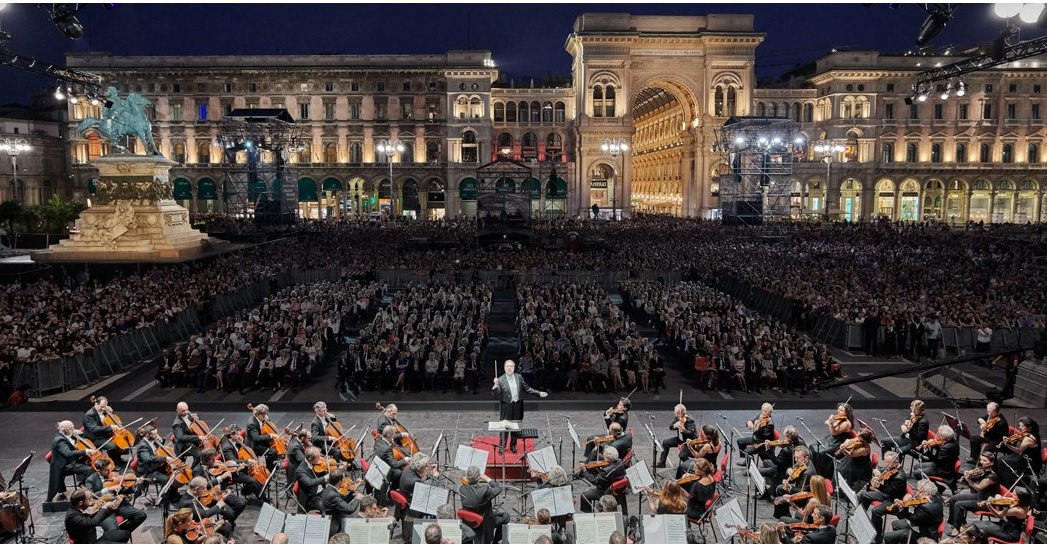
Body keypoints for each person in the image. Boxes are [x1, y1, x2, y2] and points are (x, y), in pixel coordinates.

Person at [492, 359, 548, 453]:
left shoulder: (519, 377)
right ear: (504, 368)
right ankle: (502, 446)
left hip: (517, 405)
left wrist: (539, 393)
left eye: (511, 366)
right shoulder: (500, 380)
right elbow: (496, 395)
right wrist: (495, 385)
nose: (509, 368)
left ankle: (513, 446)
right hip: (506, 406)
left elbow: (527, 388)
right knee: (505, 427)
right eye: (507, 366)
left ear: (514, 367)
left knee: (515, 427)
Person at [82, 459, 147, 533]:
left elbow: (123, 489)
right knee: (112, 529)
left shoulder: (113, 475)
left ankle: (122, 533)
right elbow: (91, 496)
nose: (109, 471)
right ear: (98, 470)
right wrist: (108, 489)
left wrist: (134, 486)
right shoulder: (90, 480)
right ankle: (117, 534)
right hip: (104, 508)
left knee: (141, 515)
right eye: (106, 470)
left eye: (109, 468)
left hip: (118, 503)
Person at [859, 451, 908, 536]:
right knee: (864, 495)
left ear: (896, 463)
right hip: (887, 494)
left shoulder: (899, 477)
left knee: (875, 511)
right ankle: (861, 517)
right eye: (885, 462)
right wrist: (877, 476)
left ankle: (877, 536)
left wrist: (878, 486)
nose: (886, 465)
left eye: (888, 463)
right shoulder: (892, 469)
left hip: (893, 500)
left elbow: (890, 491)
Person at [882, 479, 944, 544]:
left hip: (923, 534)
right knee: (895, 523)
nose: (917, 493)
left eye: (919, 491)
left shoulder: (926, 508)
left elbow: (912, 519)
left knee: (887, 537)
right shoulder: (936, 500)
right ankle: (902, 541)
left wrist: (903, 507)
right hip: (923, 524)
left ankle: (907, 540)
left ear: (928, 494)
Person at [948, 453, 999, 531]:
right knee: (953, 499)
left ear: (991, 463)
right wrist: (970, 474)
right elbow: (976, 480)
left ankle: (957, 528)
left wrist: (968, 479)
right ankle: (958, 524)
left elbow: (978, 487)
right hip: (979, 496)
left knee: (958, 505)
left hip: (985, 502)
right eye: (981, 459)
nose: (981, 462)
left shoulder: (992, 476)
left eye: (985, 460)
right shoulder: (983, 470)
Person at [192, 448, 247, 520]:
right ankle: (226, 525)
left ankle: (226, 523)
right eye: (212, 459)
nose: (215, 461)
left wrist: (237, 470)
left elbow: (227, 476)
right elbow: (203, 487)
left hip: (221, 492)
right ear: (205, 460)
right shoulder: (197, 471)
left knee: (242, 503)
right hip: (210, 497)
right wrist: (221, 477)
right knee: (230, 514)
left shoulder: (215, 465)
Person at [47, 420, 95, 502]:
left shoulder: (69, 435)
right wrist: (85, 451)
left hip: (71, 461)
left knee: (92, 465)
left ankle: (84, 484)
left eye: (73, 427)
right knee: (89, 469)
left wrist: (80, 434)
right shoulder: (59, 441)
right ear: (65, 430)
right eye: (71, 428)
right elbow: (68, 453)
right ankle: (83, 484)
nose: (73, 429)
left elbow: (77, 444)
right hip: (65, 465)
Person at [459, 465, 509, 544]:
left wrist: (468, 479)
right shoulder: (485, 490)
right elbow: (498, 488)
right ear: (479, 478)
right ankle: (495, 542)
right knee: (506, 517)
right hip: (485, 523)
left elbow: (467, 485)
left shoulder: (462, 489)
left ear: (467, 477)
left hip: (469, 521)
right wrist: (487, 479)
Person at [65, 488, 132, 544]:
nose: (91, 501)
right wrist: (104, 507)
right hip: (90, 541)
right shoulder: (73, 517)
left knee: (126, 534)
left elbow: (92, 517)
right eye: (88, 499)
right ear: (80, 503)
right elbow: (93, 522)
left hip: (95, 534)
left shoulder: (76, 508)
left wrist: (114, 506)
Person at [996, 416, 1042, 488]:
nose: (1020, 428)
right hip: (1025, 457)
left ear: (1029, 427)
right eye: (1020, 425)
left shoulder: (1028, 439)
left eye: (1022, 426)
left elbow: (1019, 451)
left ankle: (1007, 483)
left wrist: (1007, 444)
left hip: (1029, 462)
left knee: (1000, 461)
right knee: (1000, 459)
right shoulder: (1032, 433)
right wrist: (1010, 440)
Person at [577, 446, 626, 513]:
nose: (603, 457)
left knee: (584, 496)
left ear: (609, 460)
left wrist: (585, 471)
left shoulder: (606, 471)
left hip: (604, 492)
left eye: (605, 457)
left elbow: (595, 481)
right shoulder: (620, 461)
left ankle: (589, 514)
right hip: (617, 489)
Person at [772, 447, 816, 519]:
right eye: (795, 457)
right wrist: (789, 471)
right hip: (798, 488)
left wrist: (790, 487)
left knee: (778, 500)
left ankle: (783, 518)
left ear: (806, 458)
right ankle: (785, 513)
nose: (795, 460)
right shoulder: (803, 464)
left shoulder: (807, 473)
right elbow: (794, 474)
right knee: (779, 488)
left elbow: (802, 492)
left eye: (798, 458)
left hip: (804, 497)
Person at [83, 396, 125, 465]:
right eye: (102, 407)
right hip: (95, 438)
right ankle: (113, 463)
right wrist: (110, 427)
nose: (103, 409)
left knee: (121, 441)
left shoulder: (104, 411)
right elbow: (94, 429)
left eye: (105, 406)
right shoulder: (89, 414)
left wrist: (111, 413)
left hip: (104, 434)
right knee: (112, 446)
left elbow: (110, 420)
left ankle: (118, 459)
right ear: (96, 404)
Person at [321, 469, 363, 537]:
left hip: (333, 516)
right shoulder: (333, 495)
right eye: (344, 479)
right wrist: (358, 499)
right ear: (340, 482)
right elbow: (349, 509)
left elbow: (342, 500)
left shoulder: (329, 489)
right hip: (335, 525)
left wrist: (354, 489)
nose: (345, 481)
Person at [655, 404, 697, 469]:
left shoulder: (690, 420)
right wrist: (675, 425)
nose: (676, 415)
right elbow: (671, 426)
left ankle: (690, 466)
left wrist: (683, 430)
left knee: (682, 455)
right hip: (680, 439)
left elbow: (691, 434)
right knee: (665, 442)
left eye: (677, 413)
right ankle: (662, 463)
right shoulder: (678, 417)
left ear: (683, 412)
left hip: (688, 442)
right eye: (676, 413)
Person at [294, 447, 331, 513]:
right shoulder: (301, 471)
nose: (320, 459)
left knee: (336, 498)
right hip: (311, 496)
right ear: (310, 459)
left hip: (321, 490)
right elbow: (309, 482)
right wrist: (325, 477)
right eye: (317, 457)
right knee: (326, 506)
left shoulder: (313, 462)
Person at [245, 403, 279, 470]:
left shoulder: (260, 418)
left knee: (275, 447)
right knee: (273, 452)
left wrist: (267, 420)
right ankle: (268, 468)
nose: (265, 416)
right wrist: (271, 435)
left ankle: (271, 464)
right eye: (263, 414)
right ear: (258, 414)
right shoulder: (252, 424)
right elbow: (256, 438)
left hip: (260, 440)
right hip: (255, 445)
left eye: (265, 414)